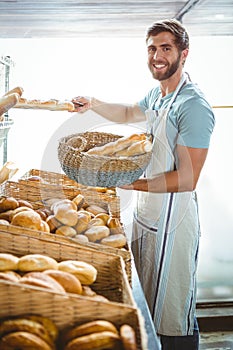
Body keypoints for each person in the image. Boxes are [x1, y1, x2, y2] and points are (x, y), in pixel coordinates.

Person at [70, 19, 215, 350]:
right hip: (149, 217)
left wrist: (133, 183)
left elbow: (188, 178)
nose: (157, 56)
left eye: (166, 48)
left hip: (173, 225)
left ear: (184, 54)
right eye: (152, 48)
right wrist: (93, 103)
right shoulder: (159, 93)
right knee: (148, 307)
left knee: (173, 314)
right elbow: (128, 111)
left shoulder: (192, 106)